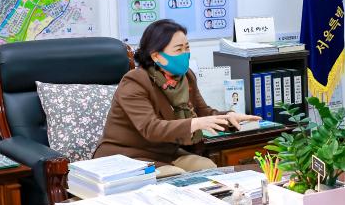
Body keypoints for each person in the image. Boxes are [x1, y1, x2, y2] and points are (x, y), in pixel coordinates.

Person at [95, 19, 260, 176]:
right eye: (178, 49)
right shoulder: (135, 81)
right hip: (128, 155)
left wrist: (229, 118)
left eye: (187, 48)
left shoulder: (186, 77)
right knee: (173, 175)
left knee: (207, 167)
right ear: (156, 56)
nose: (185, 54)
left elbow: (203, 112)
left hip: (164, 153)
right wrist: (194, 123)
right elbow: (150, 128)